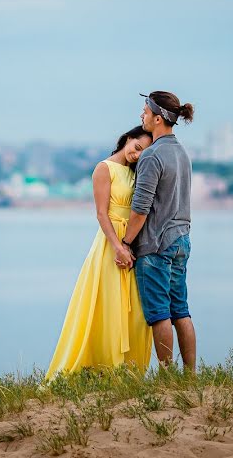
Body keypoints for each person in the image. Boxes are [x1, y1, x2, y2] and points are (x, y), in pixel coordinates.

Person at [45, 126, 154, 378]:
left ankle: (130, 370)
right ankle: (100, 367)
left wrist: (131, 244)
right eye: (136, 148)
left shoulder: (135, 171)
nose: (137, 155)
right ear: (128, 139)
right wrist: (118, 246)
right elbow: (101, 213)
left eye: (143, 153)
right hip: (111, 245)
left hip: (134, 243)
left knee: (135, 311)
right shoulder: (104, 168)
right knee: (107, 307)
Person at [121, 91, 196, 372]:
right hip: (182, 239)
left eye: (144, 111)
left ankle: (167, 376)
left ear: (157, 117)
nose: (141, 116)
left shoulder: (152, 156)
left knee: (159, 315)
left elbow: (141, 209)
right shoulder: (182, 153)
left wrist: (126, 242)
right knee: (181, 310)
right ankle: (190, 376)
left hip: (156, 245)